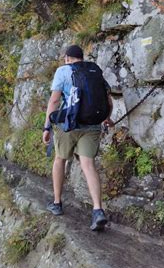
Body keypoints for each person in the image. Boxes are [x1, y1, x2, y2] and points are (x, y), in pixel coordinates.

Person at [42, 45, 113, 231]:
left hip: (68, 126)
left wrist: (47, 127)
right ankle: (98, 210)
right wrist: (107, 118)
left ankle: (57, 203)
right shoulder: (94, 70)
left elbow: (55, 101)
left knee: (60, 160)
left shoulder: (63, 71)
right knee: (88, 165)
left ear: (67, 58)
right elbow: (108, 99)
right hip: (92, 126)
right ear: (81, 57)